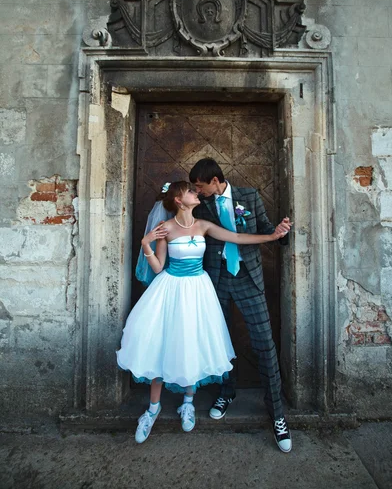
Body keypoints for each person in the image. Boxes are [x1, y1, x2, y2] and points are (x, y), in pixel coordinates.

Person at [116, 181, 289, 444]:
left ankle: (188, 402)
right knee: (161, 344)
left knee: (191, 343)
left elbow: (238, 238)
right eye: (190, 192)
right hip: (170, 290)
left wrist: (272, 237)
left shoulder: (203, 225)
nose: (196, 194)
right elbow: (159, 267)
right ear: (178, 199)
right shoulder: (166, 229)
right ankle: (152, 409)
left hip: (198, 291)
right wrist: (146, 244)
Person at [189, 158, 293, 453]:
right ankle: (226, 391)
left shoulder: (249, 196)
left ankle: (277, 413)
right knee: (221, 343)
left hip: (249, 279)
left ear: (215, 180)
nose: (198, 191)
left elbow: (265, 229)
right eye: (194, 188)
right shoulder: (199, 204)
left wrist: (280, 232)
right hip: (215, 281)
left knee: (264, 344)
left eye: (200, 185)